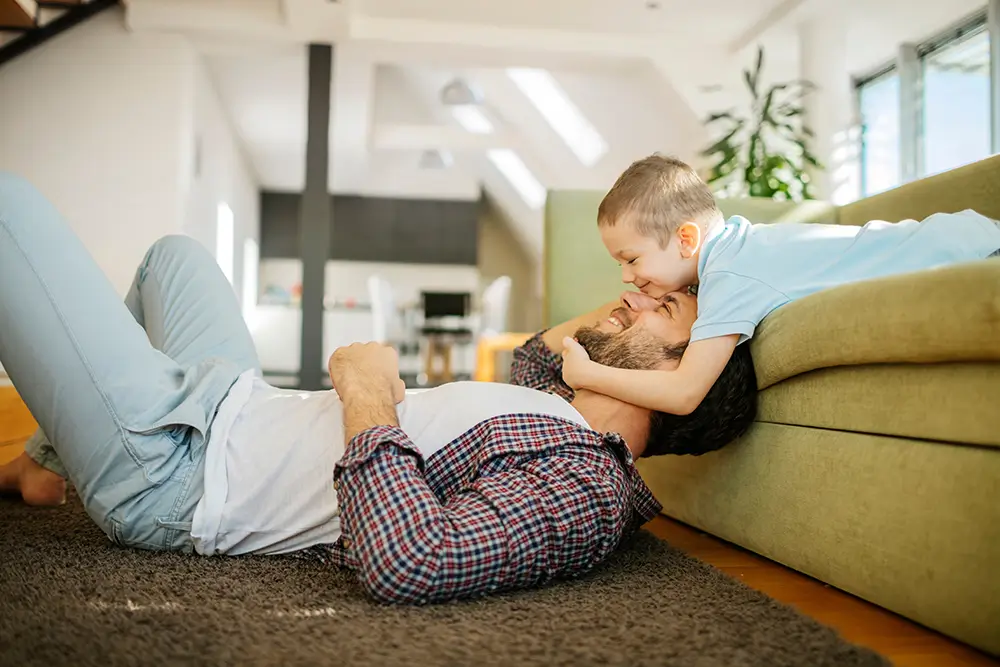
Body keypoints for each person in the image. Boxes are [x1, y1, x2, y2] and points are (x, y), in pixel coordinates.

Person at [0, 172, 757, 605]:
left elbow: (414, 559)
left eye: (663, 308)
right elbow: (549, 344)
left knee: (8, 207)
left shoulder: (587, 483)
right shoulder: (554, 399)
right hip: (234, 401)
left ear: (681, 376)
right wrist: (664, 281)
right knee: (176, 257)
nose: (630, 295)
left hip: (181, 471)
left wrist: (366, 395)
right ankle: (42, 463)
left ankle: (73, 452)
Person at [560, 153, 1000, 417]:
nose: (625, 276)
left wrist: (588, 374)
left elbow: (685, 393)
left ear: (686, 240)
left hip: (974, 258)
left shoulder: (729, 276)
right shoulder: (741, 246)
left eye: (631, 259)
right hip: (967, 239)